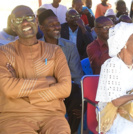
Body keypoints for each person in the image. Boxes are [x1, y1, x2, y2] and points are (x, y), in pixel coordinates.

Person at [0, 5, 71, 133]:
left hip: (52, 116)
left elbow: (65, 88)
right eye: (18, 19)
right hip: (14, 116)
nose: (25, 22)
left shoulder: (55, 51)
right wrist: (49, 81)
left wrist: (24, 93)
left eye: (29, 17)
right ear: (13, 26)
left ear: (36, 21)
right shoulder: (4, 53)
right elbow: (9, 89)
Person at [38, 9, 84, 133]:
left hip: (65, 88)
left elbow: (77, 75)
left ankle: (70, 130)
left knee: (77, 99)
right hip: (44, 89)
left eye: (57, 24)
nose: (57, 27)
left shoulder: (69, 46)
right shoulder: (36, 47)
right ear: (42, 28)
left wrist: (82, 100)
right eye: (51, 25)